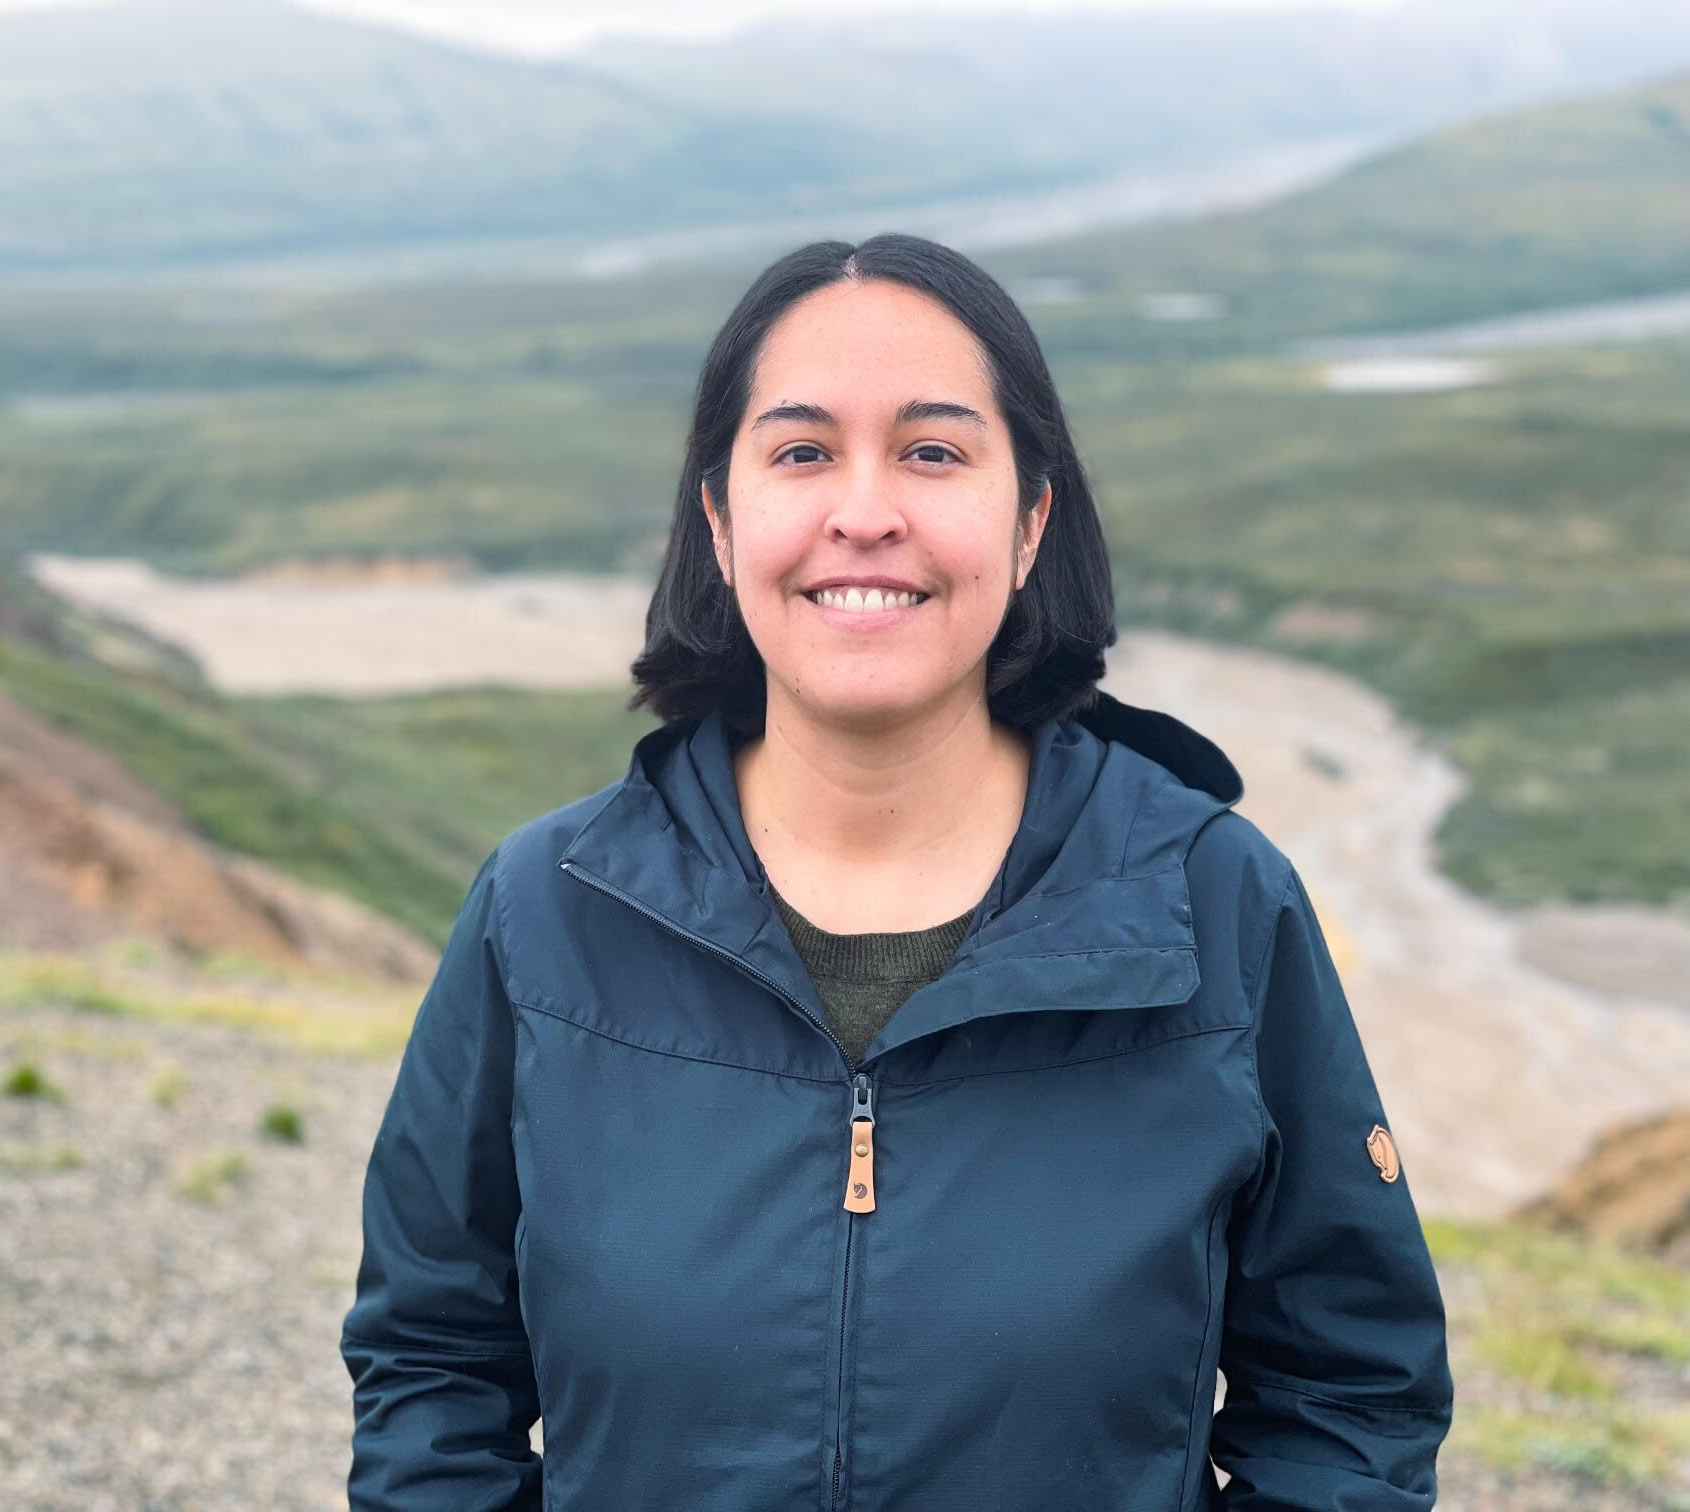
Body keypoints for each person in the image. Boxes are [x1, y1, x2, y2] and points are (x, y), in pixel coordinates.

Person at [340, 234, 1451, 1509]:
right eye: (802, 451)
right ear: (719, 517)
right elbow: (432, 1366)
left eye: (933, 452)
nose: (863, 512)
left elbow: (1349, 1396)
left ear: (1030, 520)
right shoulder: (546, 911)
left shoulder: (1213, 900)